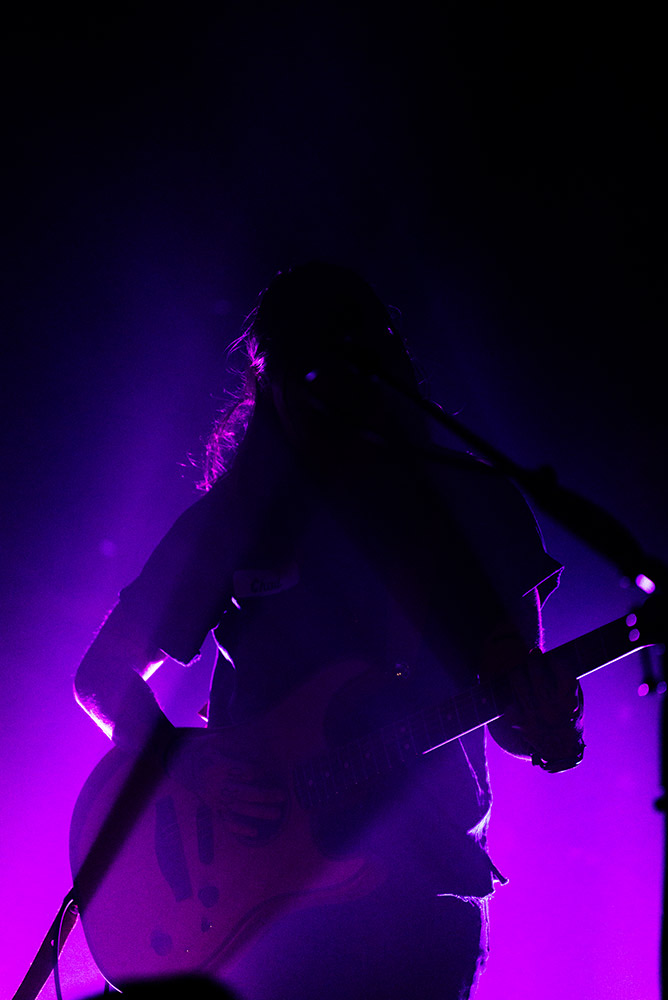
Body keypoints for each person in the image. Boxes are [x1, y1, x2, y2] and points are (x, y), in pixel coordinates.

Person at [74, 262, 585, 1000]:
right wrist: (182, 763)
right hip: (263, 904)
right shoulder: (240, 517)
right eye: (298, 367)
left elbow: (514, 701)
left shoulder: (478, 505)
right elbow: (103, 673)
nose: (321, 388)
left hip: (422, 885)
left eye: (340, 361)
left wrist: (546, 718)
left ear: (383, 363)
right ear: (270, 382)